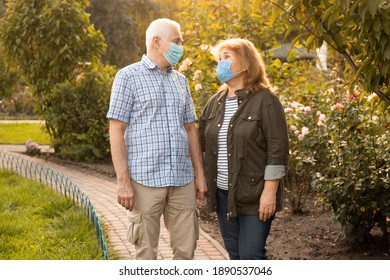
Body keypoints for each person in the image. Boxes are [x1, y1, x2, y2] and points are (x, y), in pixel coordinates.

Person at [106, 18, 207, 260]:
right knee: (146, 254)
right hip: (144, 181)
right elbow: (116, 130)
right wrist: (123, 182)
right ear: (156, 41)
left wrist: (199, 175)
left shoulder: (181, 81)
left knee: (186, 251)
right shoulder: (127, 77)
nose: (181, 46)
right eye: (177, 41)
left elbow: (190, 129)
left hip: (181, 179)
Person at [198, 38, 289, 260]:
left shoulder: (265, 100)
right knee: (236, 256)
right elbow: (201, 144)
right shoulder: (214, 102)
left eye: (227, 57)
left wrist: (269, 193)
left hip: (254, 194)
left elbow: (277, 149)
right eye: (220, 58)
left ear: (246, 64)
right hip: (223, 195)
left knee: (251, 256)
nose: (221, 62)